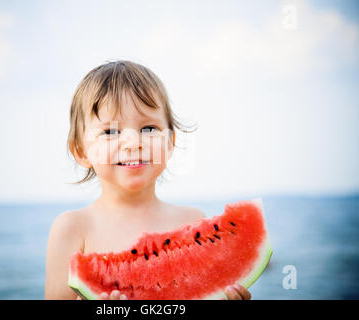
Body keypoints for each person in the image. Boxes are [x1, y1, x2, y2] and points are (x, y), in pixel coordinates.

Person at [44, 60, 251, 300]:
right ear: (81, 152)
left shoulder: (193, 222)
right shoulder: (71, 229)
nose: (134, 143)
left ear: (170, 143)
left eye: (149, 128)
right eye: (110, 132)